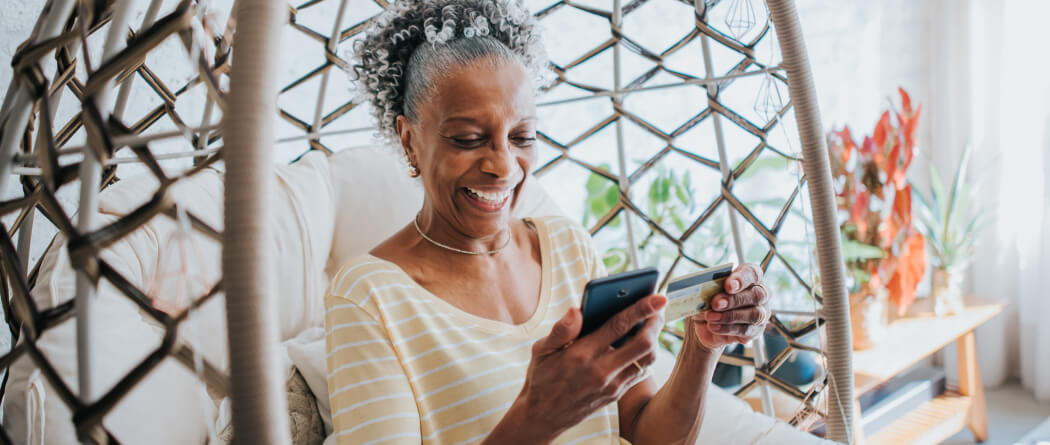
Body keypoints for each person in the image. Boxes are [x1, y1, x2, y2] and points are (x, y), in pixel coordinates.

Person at [324, 0, 773, 443]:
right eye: (468, 139)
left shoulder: (567, 247)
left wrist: (703, 346)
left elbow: (644, 432)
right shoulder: (368, 297)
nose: (504, 166)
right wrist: (539, 418)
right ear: (409, 140)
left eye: (522, 137)